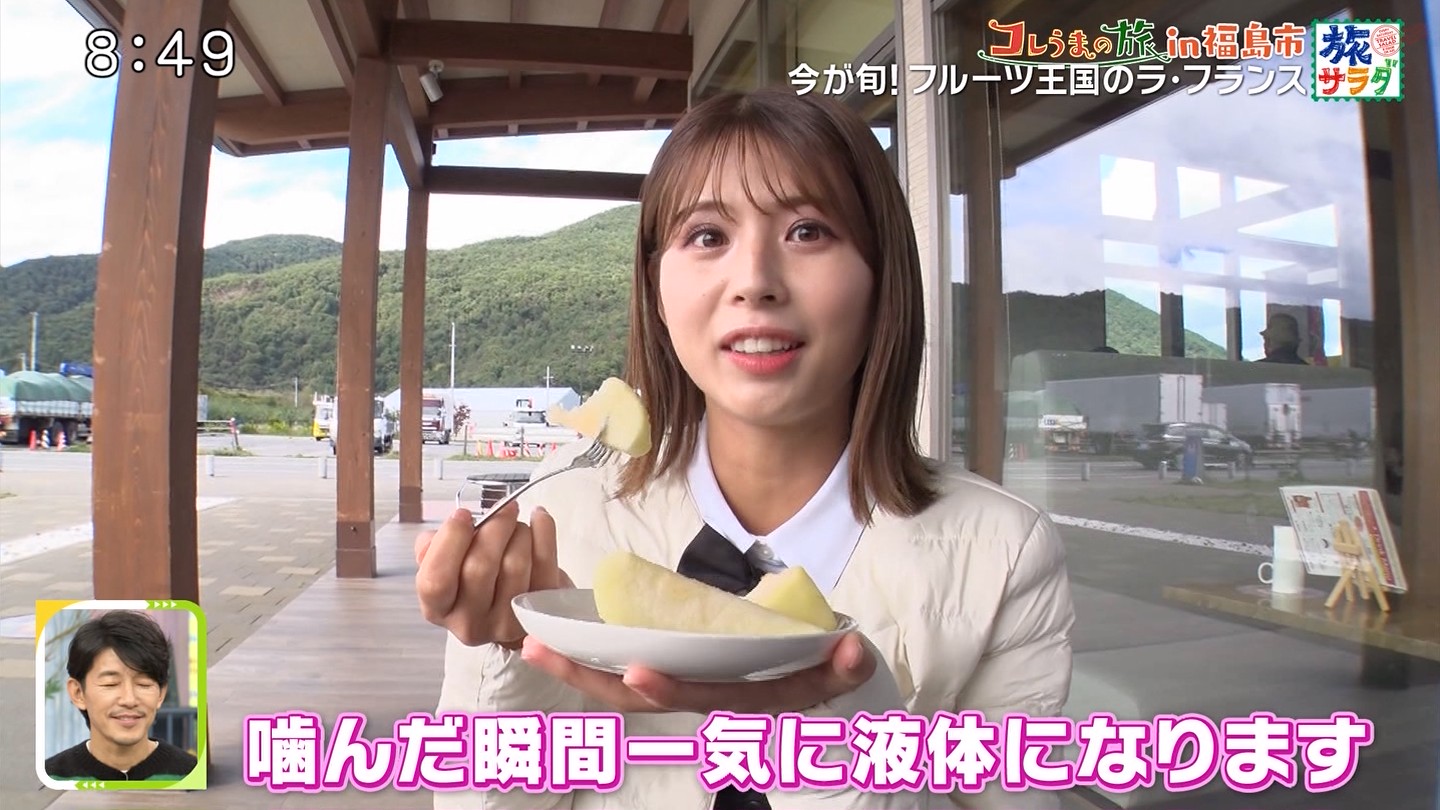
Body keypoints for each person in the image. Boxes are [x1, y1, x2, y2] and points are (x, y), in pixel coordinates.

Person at [417, 88, 1075, 809]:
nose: (755, 282)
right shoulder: (559, 515)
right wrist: (508, 653)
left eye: (808, 231)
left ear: (881, 277)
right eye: (707, 236)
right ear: (655, 287)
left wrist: (846, 734)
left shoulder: (1003, 553)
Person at [44, 610, 198, 782]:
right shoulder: (53, 777)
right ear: (78, 693)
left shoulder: (192, 773)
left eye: (143, 684)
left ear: (161, 693)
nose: (129, 700)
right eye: (110, 684)